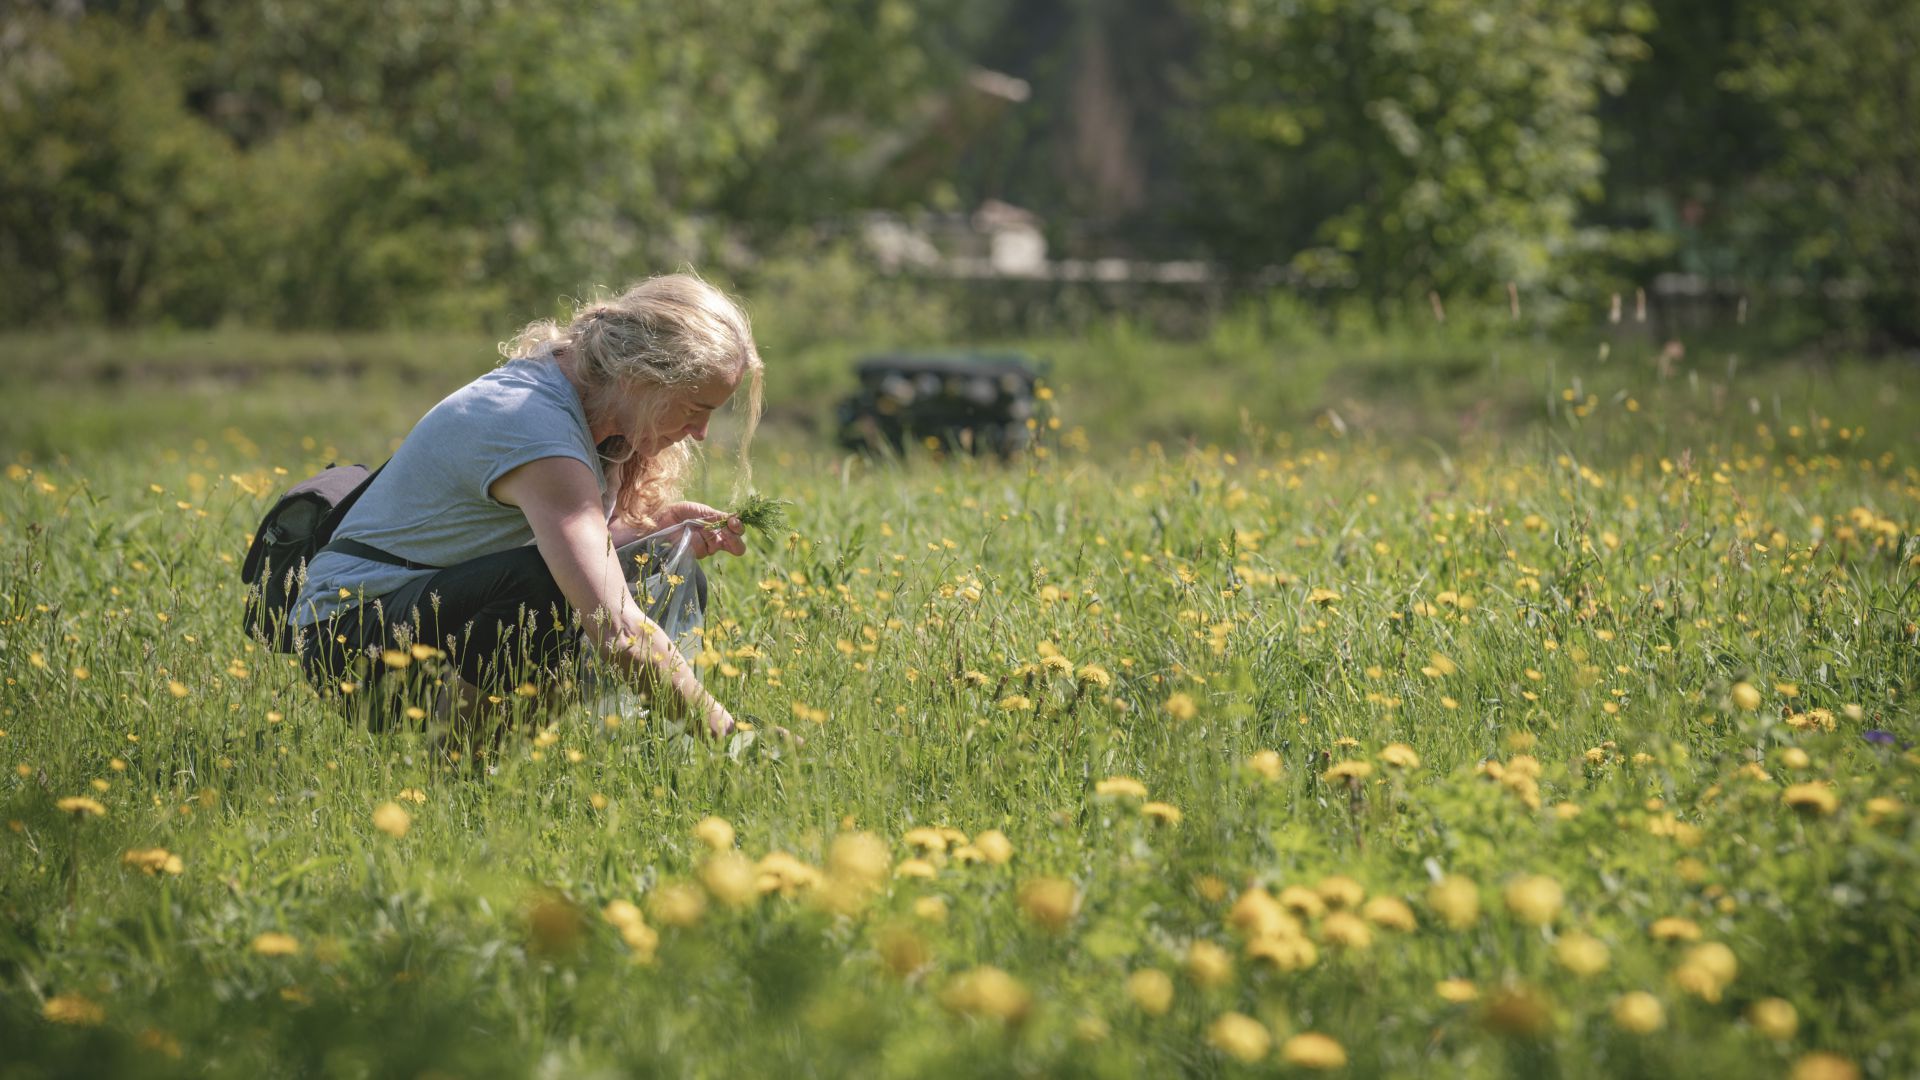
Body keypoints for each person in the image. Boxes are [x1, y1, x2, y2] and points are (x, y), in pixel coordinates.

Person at [290, 273, 762, 748]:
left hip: (422, 613)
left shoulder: (592, 401)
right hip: (348, 639)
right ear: (643, 379)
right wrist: (734, 742)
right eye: (695, 407)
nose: (701, 431)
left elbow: (574, 548)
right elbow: (617, 630)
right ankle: (457, 769)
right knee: (543, 590)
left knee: (663, 564)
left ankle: (488, 760)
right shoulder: (537, 428)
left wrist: (654, 531)